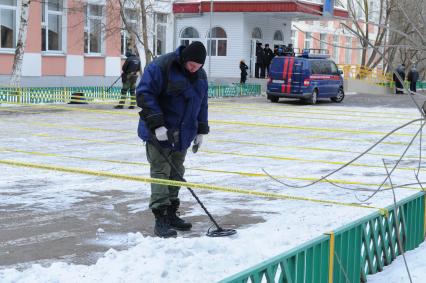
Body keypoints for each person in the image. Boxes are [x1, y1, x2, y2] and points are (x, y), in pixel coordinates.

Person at [136, 41, 209, 238]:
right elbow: (144, 94)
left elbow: (202, 104)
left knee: (177, 172)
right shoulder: (162, 66)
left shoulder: (200, 76)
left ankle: (171, 213)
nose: (194, 70)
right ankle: (160, 218)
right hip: (158, 132)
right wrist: (157, 124)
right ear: (185, 59)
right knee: (161, 171)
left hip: (183, 134)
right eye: (192, 65)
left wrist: (201, 130)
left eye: (198, 66)